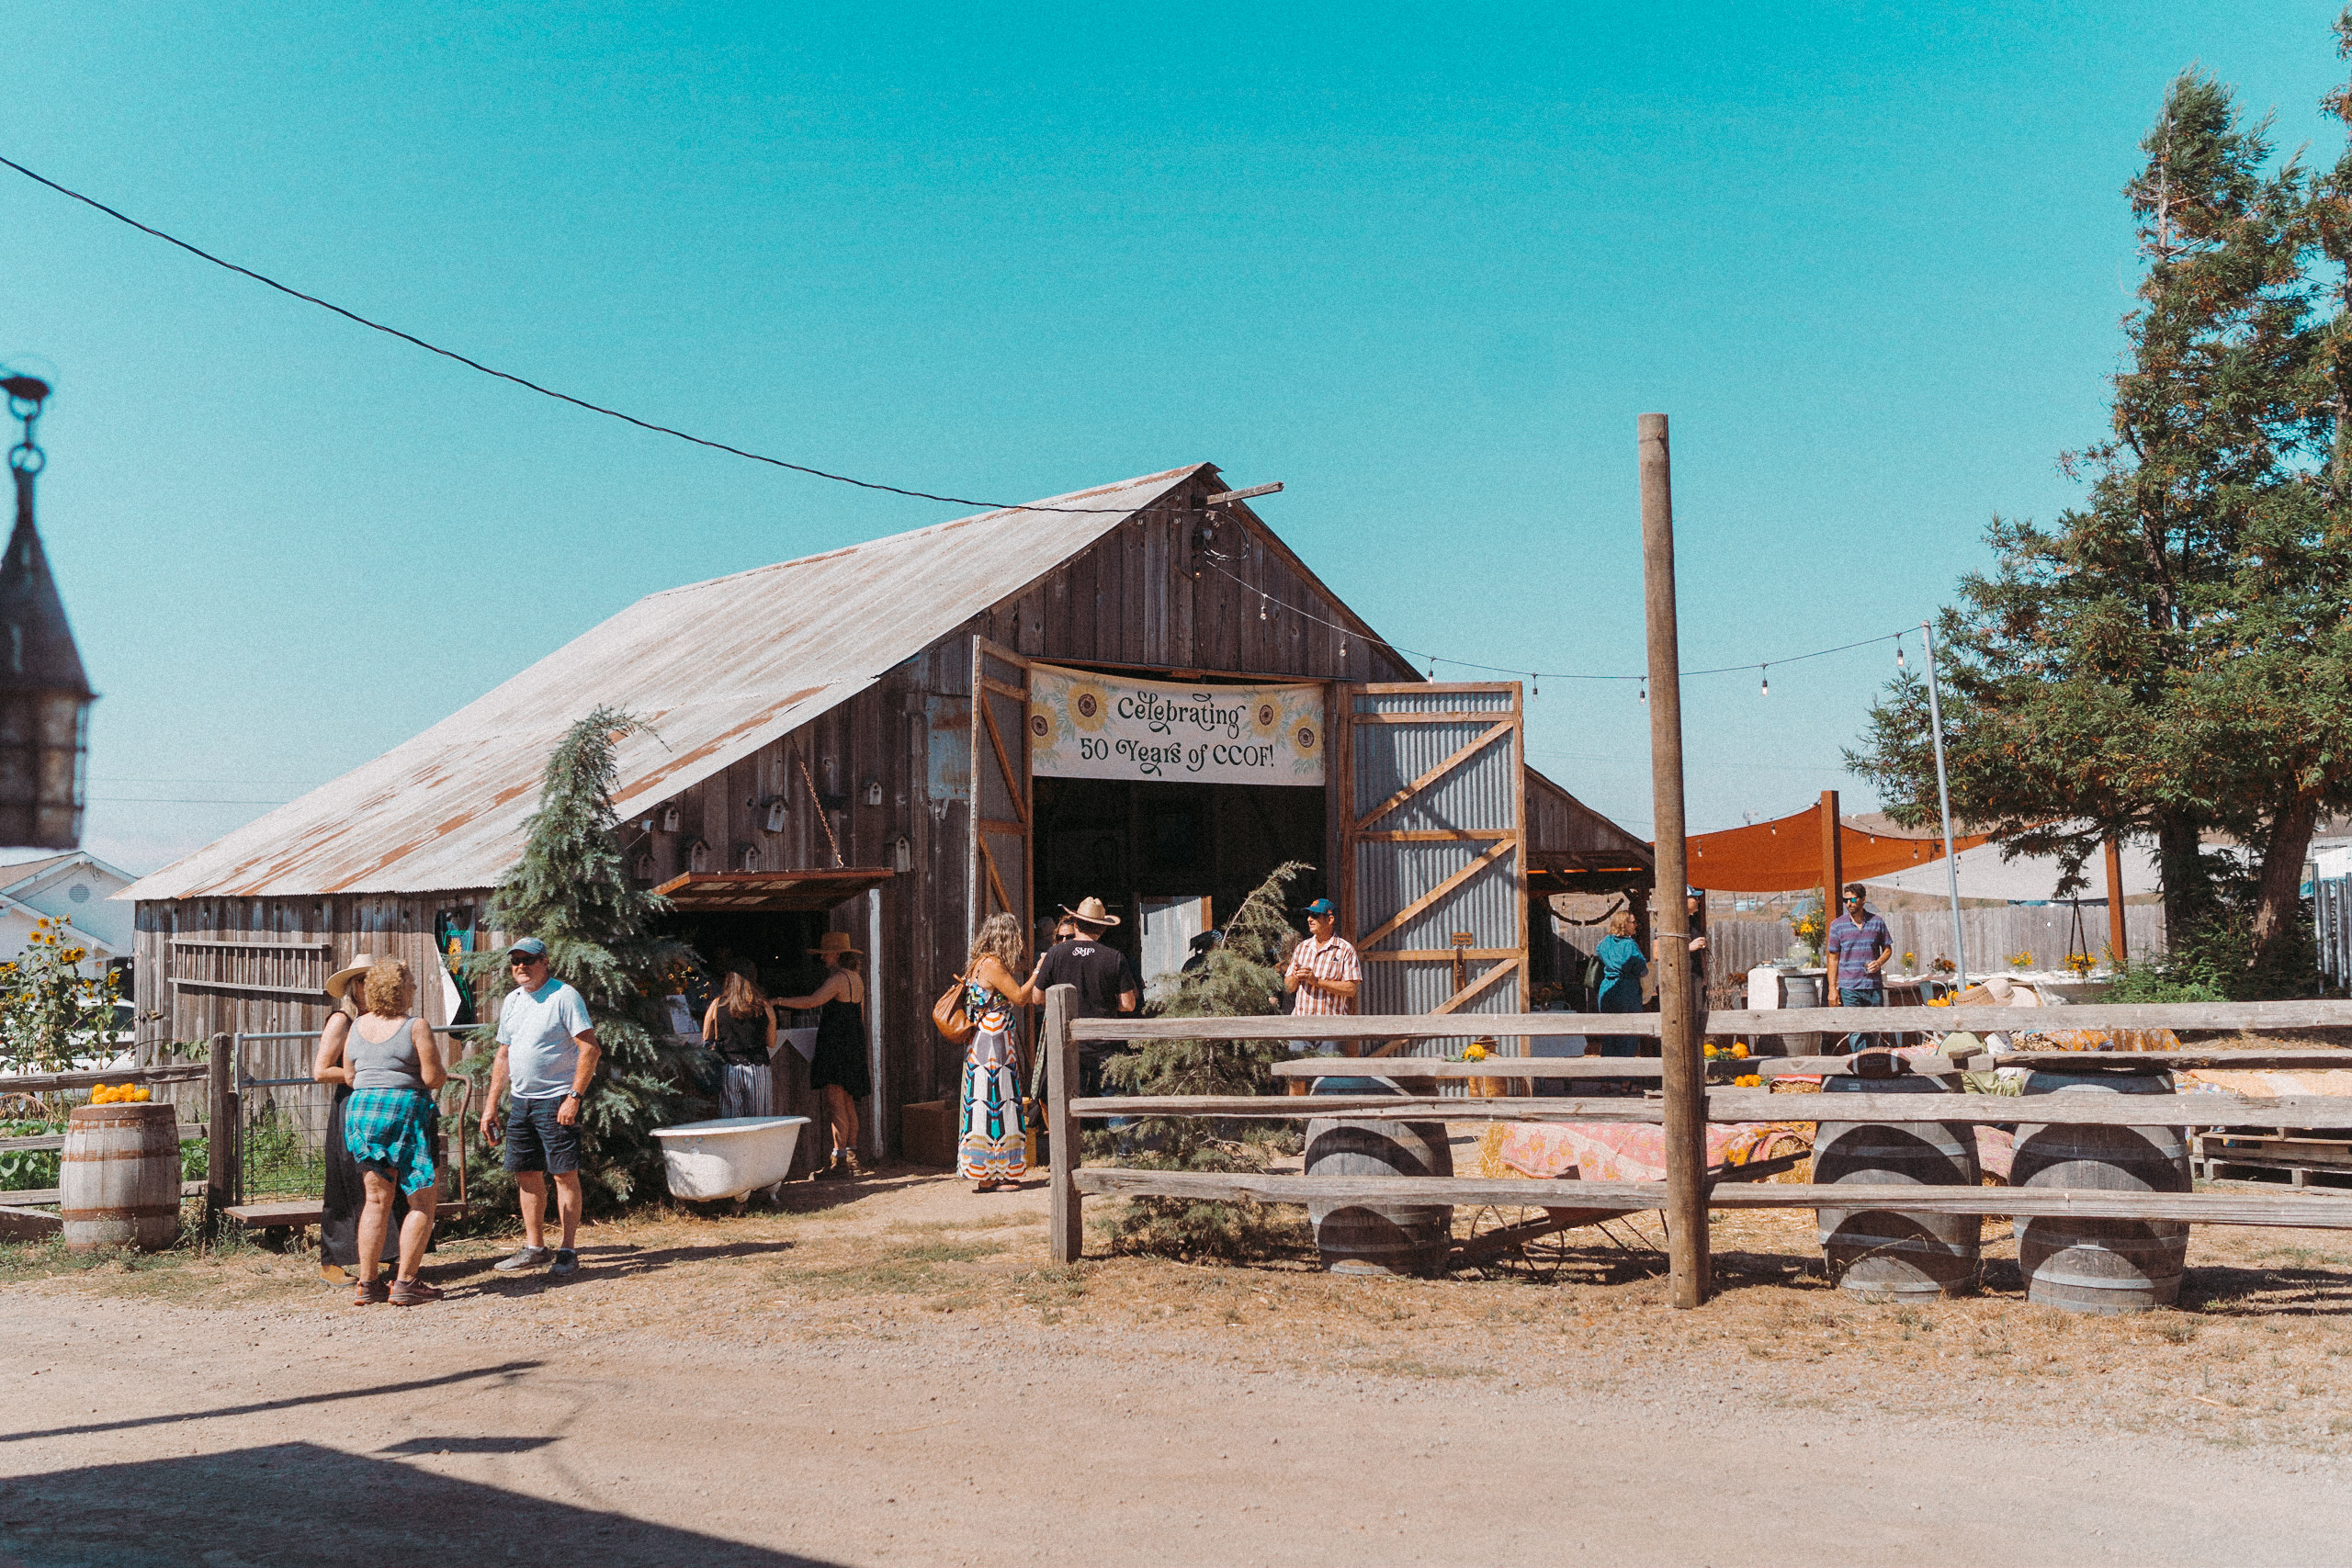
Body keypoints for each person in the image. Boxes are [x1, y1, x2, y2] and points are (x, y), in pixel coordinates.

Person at [317, 959, 447, 1306]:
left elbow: (350, 1076)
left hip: (362, 1113)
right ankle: (406, 1282)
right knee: (420, 1199)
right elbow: (434, 1078)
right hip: (404, 1111)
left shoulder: (356, 1025)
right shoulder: (416, 1026)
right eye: (412, 984)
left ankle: (368, 1283)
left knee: (375, 1200)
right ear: (401, 989)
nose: (415, 990)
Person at [481, 936, 600, 1277]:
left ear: (545, 962)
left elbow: (589, 1049)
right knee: (527, 1173)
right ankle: (535, 1248)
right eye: (515, 961)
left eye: (528, 960)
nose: (521, 966)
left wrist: (573, 1097)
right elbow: (503, 1055)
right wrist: (491, 1106)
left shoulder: (564, 996)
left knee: (564, 1174)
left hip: (556, 1101)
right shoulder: (513, 1001)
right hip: (522, 1103)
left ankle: (568, 1250)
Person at [315, 953, 396, 1280]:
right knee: (347, 1182)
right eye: (361, 980)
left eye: (372, 978)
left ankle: (393, 1254)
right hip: (353, 1105)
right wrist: (360, 1075)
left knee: (389, 1179)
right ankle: (332, 1261)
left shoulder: (386, 1020)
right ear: (351, 987)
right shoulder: (342, 1020)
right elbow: (321, 1070)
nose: (367, 985)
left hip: (385, 1104)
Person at [957, 911, 1041, 1191]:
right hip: (996, 1043)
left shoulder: (980, 964)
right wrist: (1038, 974)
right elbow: (1019, 997)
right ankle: (1002, 1171)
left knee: (981, 1101)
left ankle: (985, 1172)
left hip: (981, 1040)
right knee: (1001, 1101)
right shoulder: (994, 965)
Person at [777, 931, 870, 1179]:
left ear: (836, 954)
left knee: (835, 1103)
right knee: (848, 1102)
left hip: (836, 1045)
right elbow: (859, 1015)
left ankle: (839, 1161)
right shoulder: (856, 979)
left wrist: (779, 1000)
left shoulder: (839, 978)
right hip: (852, 1044)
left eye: (825, 954)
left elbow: (812, 1001)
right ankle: (851, 1158)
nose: (823, 958)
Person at [1027, 897, 1138, 1096]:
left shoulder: (1055, 954)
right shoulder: (1114, 957)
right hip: (1104, 1043)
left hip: (1066, 1042)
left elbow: (1037, 997)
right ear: (1102, 928)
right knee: (1113, 1107)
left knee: (1068, 1105)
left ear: (1076, 923)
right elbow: (1128, 1004)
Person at [702, 962, 778, 1120]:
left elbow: (706, 1037)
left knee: (731, 1124)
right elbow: (771, 1042)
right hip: (758, 1068)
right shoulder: (764, 1006)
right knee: (759, 1123)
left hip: (729, 1068)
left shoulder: (717, 1005)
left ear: (729, 979)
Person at [1826, 883, 1894, 1054]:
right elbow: (1832, 958)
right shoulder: (1837, 925)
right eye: (1846, 900)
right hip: (1849, 987)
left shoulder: (1877, 922)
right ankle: (1863, 1065)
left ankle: (1873, 1064)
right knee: (1856, 1031)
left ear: (1863, 900)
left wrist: (1878, 962)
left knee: (1874, 1028)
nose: (1849, 904)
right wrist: (1832, 989)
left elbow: (1888, 949)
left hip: (1873, 986)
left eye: (1853, 899)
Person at [1594, 908, 1648, 1058]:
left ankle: (1607, 1077)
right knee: (1628, 1033)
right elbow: (1642, 970)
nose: (1635, 925)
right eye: (1633, 922)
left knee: (1609, 1033)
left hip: (1607, 989)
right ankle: (1625, 1078)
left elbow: (1597, 955)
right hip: (1627, 991)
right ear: (1624, 924)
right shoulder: (1630, 945)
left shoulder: (1604, 943)